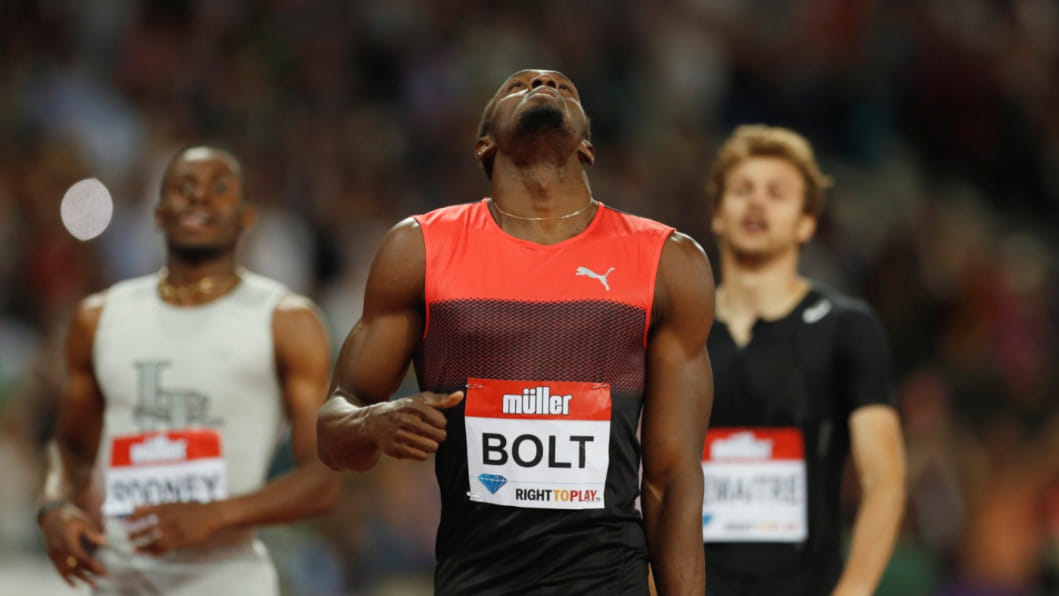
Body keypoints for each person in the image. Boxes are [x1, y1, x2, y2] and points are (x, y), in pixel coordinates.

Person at [317, 68, 715, 594]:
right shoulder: (420, 250)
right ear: (484, 144)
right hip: (476, 582)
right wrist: (373, 422)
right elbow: (332, 433)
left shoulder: (667, 262)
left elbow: (673, 479)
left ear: (587, 146)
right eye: (518, 86)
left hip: (607, 581)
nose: (544, 85)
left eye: (564, 87)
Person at [37, 146, 340, 594]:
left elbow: (324, 477)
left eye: (219, 189)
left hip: (225, 578)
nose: (200, 197)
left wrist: (216, 513)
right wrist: (54, 505)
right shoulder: (99, 318)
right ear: (158, 213)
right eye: (184, 187)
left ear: (247, 217)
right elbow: (71, 447)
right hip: (117, 578)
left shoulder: (286, 322)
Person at [700, 125, 906, 595]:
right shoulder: (680, 330)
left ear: (806, 223)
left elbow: (884, 477)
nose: (757, 203)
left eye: (777, 193)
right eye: (743, 190)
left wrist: (854, 589)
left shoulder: (847, 327)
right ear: (717, 213)